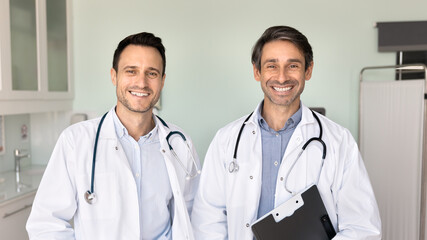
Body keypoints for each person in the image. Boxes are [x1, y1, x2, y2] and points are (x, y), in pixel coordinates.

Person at [191, 26, 381, 239]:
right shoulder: (226, 140)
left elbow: (363, 228)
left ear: (308, 70)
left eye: (293, 65)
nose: (282, 77)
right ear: (257, 71)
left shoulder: (339, 141)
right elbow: (207, 221)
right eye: (272, 66)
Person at [27, 32, 200, 240]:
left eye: (151, 73)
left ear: (162, 81)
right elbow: (46, 224)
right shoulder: (75, 141)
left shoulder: (180, 143)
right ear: (114, 76)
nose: (141, 83)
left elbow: (193, 217)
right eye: (131, 71)